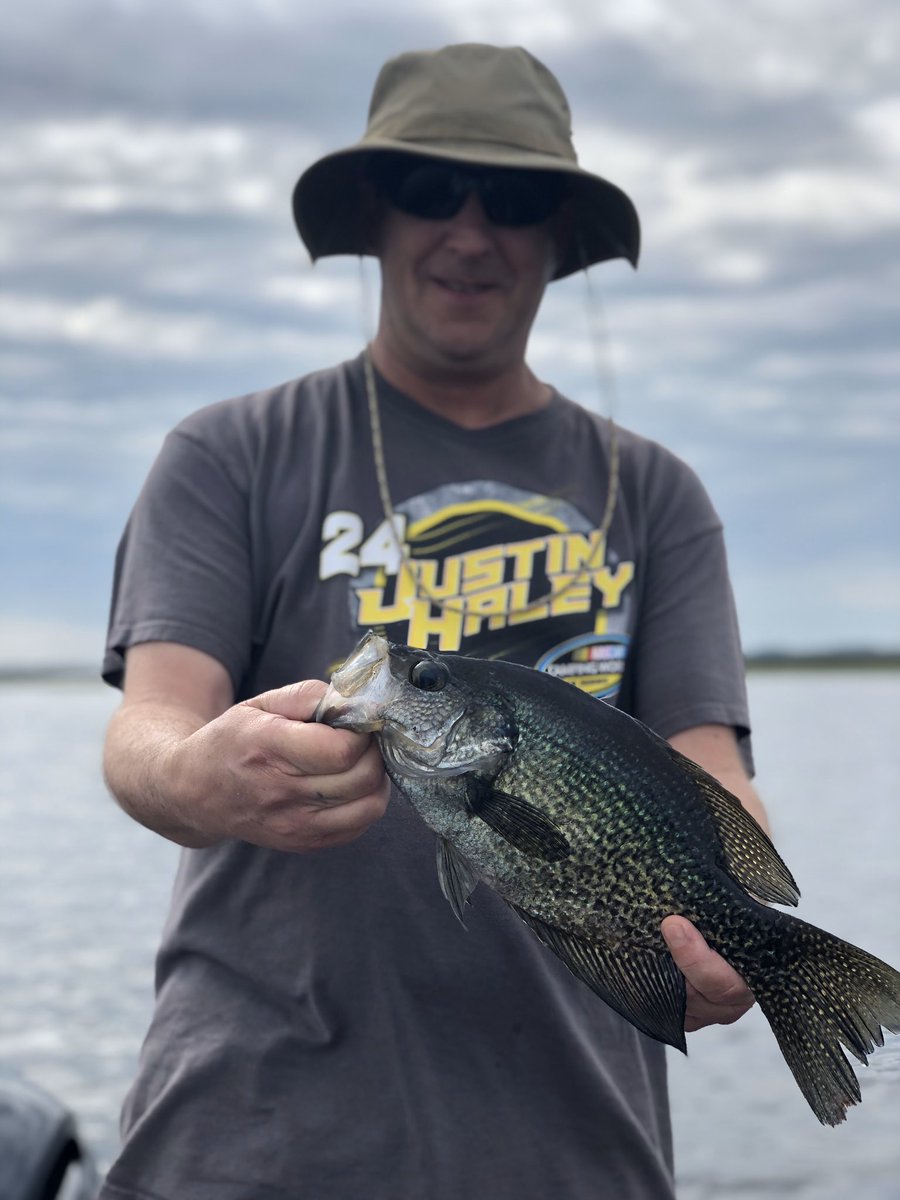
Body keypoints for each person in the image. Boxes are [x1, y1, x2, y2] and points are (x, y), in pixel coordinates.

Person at [100, 43, 766, 1200]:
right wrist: (200, 776)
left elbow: (712, 765)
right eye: (429, 190)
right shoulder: (232, 455)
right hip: (252, 1143)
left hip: (577, 1150)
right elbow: (148, 731)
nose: (470, 232)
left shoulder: (656, 494)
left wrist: (738, 924)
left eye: (510, 199)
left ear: (559, 234)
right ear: (375, 213)